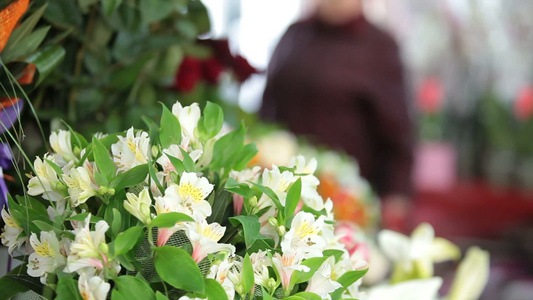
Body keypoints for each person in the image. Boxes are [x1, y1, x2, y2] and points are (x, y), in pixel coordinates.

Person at [260, 0, 414, 230]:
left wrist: (396, 196)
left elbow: (398, 133)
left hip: (347, 204)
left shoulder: (380, 46)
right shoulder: (294, 35)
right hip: (283, 195)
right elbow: (267, 109)